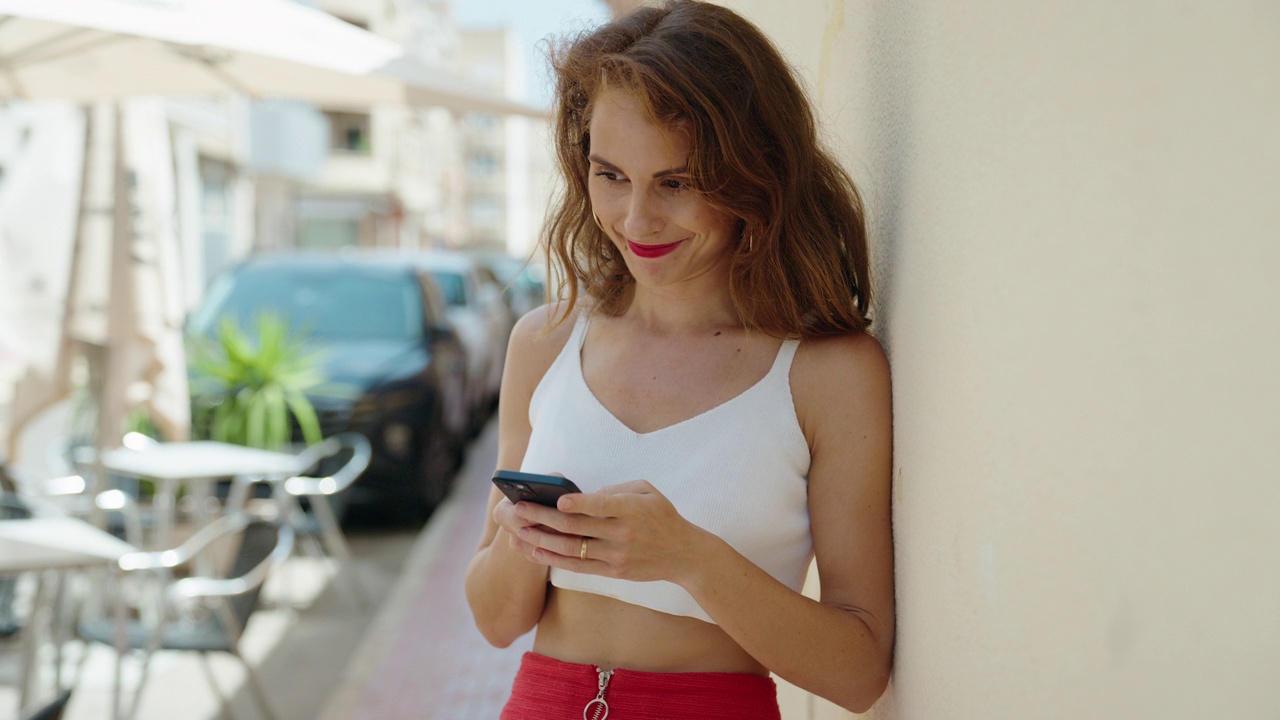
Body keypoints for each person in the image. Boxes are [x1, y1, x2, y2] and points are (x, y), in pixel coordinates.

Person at [464, 1, 894, 717]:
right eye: (610, 175)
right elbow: (495, 619)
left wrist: (689, 556)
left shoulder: (828, 373)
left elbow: (859, 673)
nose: (636, 220)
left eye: (677, 182)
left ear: (754, 177)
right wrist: (521, 536)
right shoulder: (544, 342)